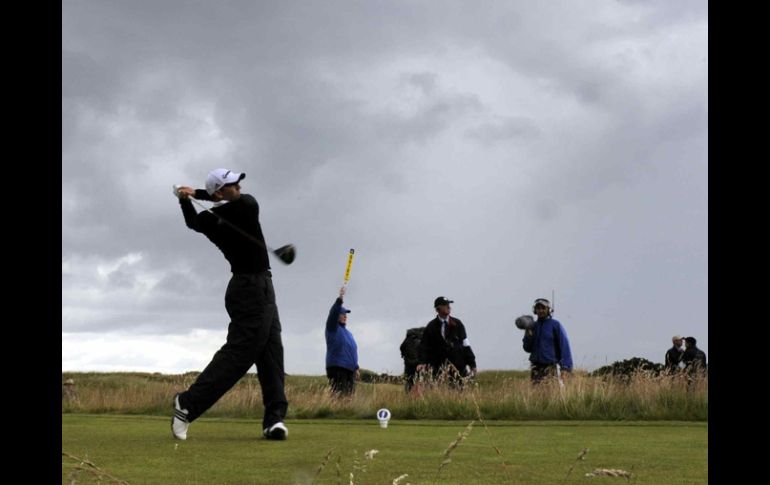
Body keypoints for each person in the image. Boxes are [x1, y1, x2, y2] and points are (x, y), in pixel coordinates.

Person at [171, 168, 288, 441]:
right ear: (221, 192)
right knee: (240, 354)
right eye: (233, 185)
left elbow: (192, 222)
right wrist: (196, 194)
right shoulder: (247, 206)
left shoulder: (212, 220)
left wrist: (186, 198)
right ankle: (187, 404)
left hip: (255, 287)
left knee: (271, 353)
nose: (240, 188)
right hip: (251, 290)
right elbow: (236, 203)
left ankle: (274, 420)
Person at [417, 297, 477, 387]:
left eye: (449, 305)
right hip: (438, 369)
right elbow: (424, 346)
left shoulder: (458, 324)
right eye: (445, 305)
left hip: (458, 368)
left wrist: (472, 364)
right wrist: (422, 362)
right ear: (438, 309)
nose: (449, 307)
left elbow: (466, 344)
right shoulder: (431, 327)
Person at [522, 298, 573, 384]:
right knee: (536, 395)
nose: (540, 310)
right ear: (535, 310)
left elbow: (564, 346)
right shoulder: (532, 326)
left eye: (543, 308)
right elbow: (527, 348)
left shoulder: (555, 325)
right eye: (538, 308)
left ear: (548, 310)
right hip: (535, 368)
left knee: (551, 394)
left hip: (550, 367)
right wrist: (528, 335)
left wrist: (565, 367)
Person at [325, 286, 359, 396]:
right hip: (337, 367)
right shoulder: (332, 327)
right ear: (337, 316)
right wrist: (340, 298)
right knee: (339, 396)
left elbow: (351, 351)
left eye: (346, 315)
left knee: (349, 397)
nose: (345, 316)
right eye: (342, 314)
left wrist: (356, 368)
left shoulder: (349, 333)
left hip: (349, 369)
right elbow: (333, 312)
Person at [399, 326, 425, 392]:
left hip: (408, 363)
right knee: (420, 379)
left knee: (409, 380)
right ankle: (419, 396)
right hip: (418, 363)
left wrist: (404, 356)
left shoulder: (407, 339)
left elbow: (401, 347)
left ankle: (408, 394)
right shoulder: (422, 339)